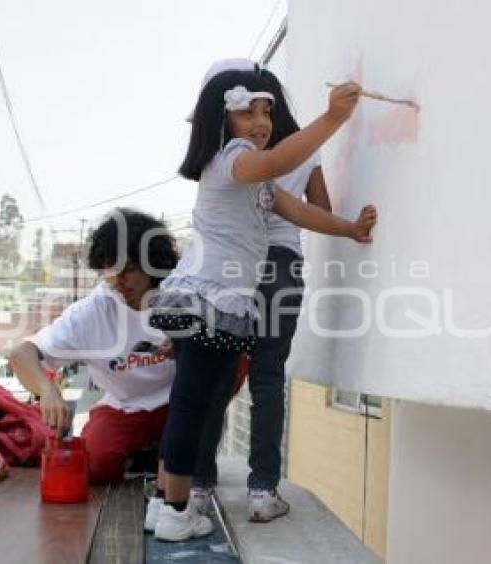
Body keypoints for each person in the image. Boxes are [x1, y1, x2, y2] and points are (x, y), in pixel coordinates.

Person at [146, 68, 376, 542]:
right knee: (193, 402)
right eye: (246, 111)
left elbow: (300, 211)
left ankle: (163, 504)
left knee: (191, 402)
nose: (261, 120)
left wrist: (349, 228)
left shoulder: (252, 179)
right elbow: (272, 164)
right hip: (211, 300)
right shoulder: (234, 158)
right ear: (219, 119)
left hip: (201, 296)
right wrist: (332, 117)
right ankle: (175, 512)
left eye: (266, 110)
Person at [190, 60, 331, 523]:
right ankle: (262, 490)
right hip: (282, 266)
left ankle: (200, 483)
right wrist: (350, 228)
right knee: (269, 375)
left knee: (219, 371)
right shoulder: (298, 154)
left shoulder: (231, 153)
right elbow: (321, 211)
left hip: (233, 269)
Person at [9, 208, 179, 485]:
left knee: (233, 357)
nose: (119, 284)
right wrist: (47, 390)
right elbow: (20, 354)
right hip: (124, 406)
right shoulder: (91, 311)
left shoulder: (182, 294)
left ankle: (188, 448)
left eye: (129, 272)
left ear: (153, 266)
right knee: (94, 465)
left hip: (179, 402)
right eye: (111, 275)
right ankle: (141, 455)